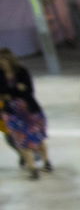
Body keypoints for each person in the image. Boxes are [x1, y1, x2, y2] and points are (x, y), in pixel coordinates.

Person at [0, 49, 50, 180]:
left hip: (30, 110)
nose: (1, 63)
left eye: (3, 60)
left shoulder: (21, 71)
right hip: (11, 112)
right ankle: (32, 168)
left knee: (38, 137)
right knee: (20, 140)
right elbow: (4, 92)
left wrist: (10, 93)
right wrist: (17, 89)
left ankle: (46, 162)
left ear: (9, 60)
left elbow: (28, 91)